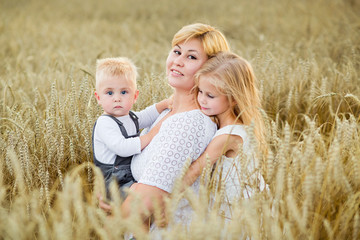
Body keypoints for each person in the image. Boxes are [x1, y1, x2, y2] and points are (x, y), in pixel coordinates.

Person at [98, 23, 230, 228]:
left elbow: (142, 205)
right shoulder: (167, 112)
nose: (177, 61)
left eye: (191, 57)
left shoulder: (189, 123)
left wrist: (102, 223)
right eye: (177, 51)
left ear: (211, 69)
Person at [182, 51, 267, 221]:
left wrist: (163, 200)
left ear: (234, 98)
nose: (202, 100)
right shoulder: (230, 125)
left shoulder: (229, 136)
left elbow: (193, 172)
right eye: (200, 91)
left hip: (238, 213)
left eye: (210, 95)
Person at [93, 57, 170, 198]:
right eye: (109, 93)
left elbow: (146, 116)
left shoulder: (130, 118)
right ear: (98, 97)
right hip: (114, 183)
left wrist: (164, 104)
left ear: (135, 96)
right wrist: (151, 135)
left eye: (124, 92)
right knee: (143, 198)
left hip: (128, 178)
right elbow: (122, 147)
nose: (117, 98)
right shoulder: (105, 123)